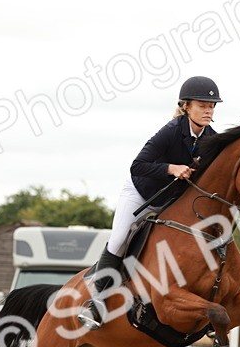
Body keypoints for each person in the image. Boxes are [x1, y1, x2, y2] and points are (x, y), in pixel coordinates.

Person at [78, 75, 222, 330]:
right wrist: (171, 168)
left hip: (172, 200)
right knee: (119, 238)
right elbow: (138, 165)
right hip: (141, 193)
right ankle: (96, 301)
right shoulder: (171, 131)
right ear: (186, 106)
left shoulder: (212, 139)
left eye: (211, 106)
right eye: (202, 105)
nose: (208, 111)